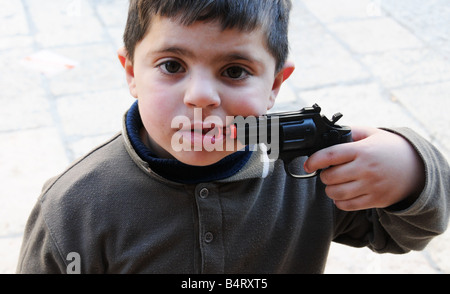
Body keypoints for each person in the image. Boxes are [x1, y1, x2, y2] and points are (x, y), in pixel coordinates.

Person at [16, 0, 450, 274]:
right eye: (172, 65)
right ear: (131, 72)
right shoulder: (74, 207)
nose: (201, 96)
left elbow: (402, 234)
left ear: (276, 85)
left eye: (235, 71)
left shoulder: (309, 168)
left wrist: (412, 170)